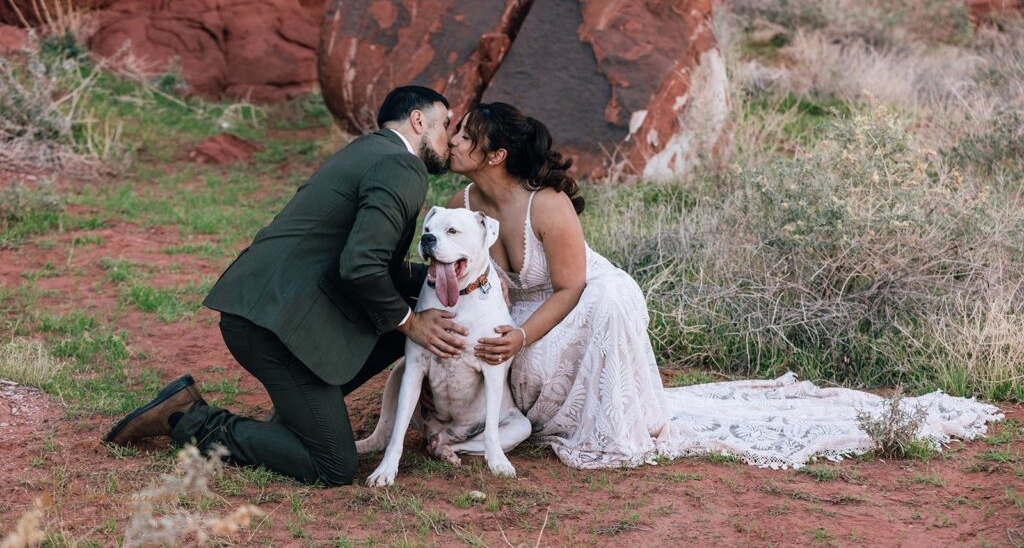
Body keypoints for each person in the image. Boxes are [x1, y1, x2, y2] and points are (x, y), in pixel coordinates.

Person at [446, 102, 1001, 470]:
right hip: (516, 311)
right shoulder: (459, 206)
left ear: (496, 155)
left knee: (605, 301)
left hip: (586, 301)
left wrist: (520, 338)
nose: (453, 141)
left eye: (465, 136)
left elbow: (570, 287)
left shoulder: (548, 205)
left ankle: (609, 420)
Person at [103, 85, 471, 486]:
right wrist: (413, 324)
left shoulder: (368, 151)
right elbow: (362, 267)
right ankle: (186, 417)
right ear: (418, 120)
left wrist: (466, 280)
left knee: (409, 306)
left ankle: (299, 415)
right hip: (272, 322)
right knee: (334, 466)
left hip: (271, 305)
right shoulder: (403, 166)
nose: (451, 138)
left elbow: (376, 263)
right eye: (446, 123)